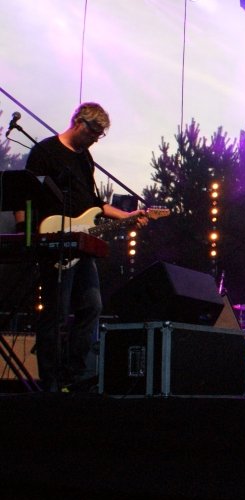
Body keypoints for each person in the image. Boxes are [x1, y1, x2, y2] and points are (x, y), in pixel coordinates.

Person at [15, 102, 148, 392]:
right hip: (53, 241)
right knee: (57, 311)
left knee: (92, 306)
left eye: (100, 136)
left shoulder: (85, 158)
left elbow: (94, 204)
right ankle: (50, 382)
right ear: (78, 122)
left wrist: (128, 216)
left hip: (82, 245)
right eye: (93, 133)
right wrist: (24, 233)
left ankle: (72, 375)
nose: (95, 140)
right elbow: (22, 194)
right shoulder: (45, 151)